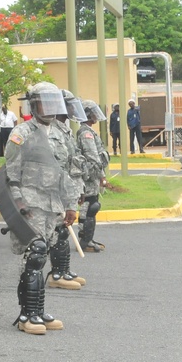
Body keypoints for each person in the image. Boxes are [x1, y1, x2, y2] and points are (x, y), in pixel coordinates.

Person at [3, 82, 75, 335]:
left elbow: (67, 171)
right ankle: (27, 315)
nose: (51, 108)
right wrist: (18, 204)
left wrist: (71, 204)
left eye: (54, 102)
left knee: (42, 257)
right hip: (30, 203)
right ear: (33, 105)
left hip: (53, 204)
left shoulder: (61, 133)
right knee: (35, 253)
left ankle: (38, 310)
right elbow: (11, 172)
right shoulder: (21, 133)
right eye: (45, 102)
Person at [45, 89, 86, 290]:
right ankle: (57, 274)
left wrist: (77, 190)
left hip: (67, 189)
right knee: (59, 232)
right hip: (55, 192)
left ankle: (64, 270)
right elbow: (58, 168)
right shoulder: (51, 131)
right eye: (68, 104)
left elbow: (73, 164)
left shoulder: (63, 129)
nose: (72, 108)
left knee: (63, 231)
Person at [75, 99, 110, 252]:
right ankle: (85, 241)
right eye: (93, 112)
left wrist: (101, 176)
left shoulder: (89, 131)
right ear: (87, 114)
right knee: (89, 207)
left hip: (93, 175)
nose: (96, 116)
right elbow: (93, 157)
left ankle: (89, 238)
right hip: (89, 176)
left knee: (92, 205)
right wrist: (101, 175)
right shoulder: (86, 133)